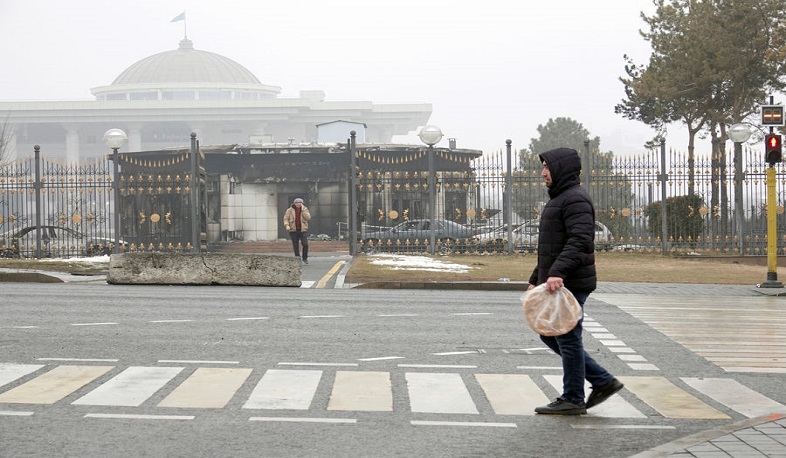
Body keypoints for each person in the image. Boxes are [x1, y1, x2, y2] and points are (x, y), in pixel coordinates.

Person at [528, 147, 624, 415]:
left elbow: (580, 240)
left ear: (561, 169)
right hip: (560, 279)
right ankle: (602, 381)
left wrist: (557, 273)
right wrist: (536, 278)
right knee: (550, 334)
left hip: (571, 281)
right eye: (543, 167)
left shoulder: (575, 199)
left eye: (547, 167)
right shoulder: (562, 198)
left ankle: (573, 398)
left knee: (567, 339)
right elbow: (551, 247)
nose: (543, 173)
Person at [283, 197, 311, 264]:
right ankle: (297, 259)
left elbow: (308, 218)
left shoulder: (305, 209)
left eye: (299, 202)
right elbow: (286, 218)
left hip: (302, 230)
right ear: (294, 203)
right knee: (295, 245)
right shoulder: (289, 210)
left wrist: (303, 210)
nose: (298, 204)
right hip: (293, 230)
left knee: (305, 244)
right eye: (296, 202)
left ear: (302, 203)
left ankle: (305, 258)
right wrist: (287, 225)